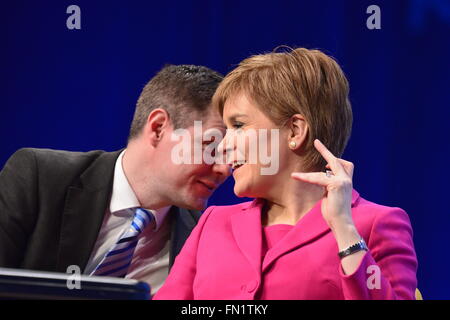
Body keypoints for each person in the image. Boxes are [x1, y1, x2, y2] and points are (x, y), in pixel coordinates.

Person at [154, 49, 418, 299]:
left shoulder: (374, 224)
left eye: (238, 125)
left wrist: (344, 228)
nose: (223, 145)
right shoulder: (212, 222)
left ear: (295, 131)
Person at [0, 64, 231, 295]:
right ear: (158, 128)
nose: (224, 169)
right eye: (211, 148)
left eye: (228, 153)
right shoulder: (39, 178)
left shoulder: (202, 237)